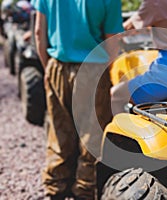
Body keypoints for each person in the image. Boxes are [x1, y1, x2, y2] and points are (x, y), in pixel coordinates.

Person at [31, 0, 123, 199]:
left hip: (58, 66)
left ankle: (56, 186)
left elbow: (39, 33)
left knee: (58, 130)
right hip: (93, 68)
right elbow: (113, 41)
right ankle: (85, 188)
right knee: (92, 134)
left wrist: (48, 66)